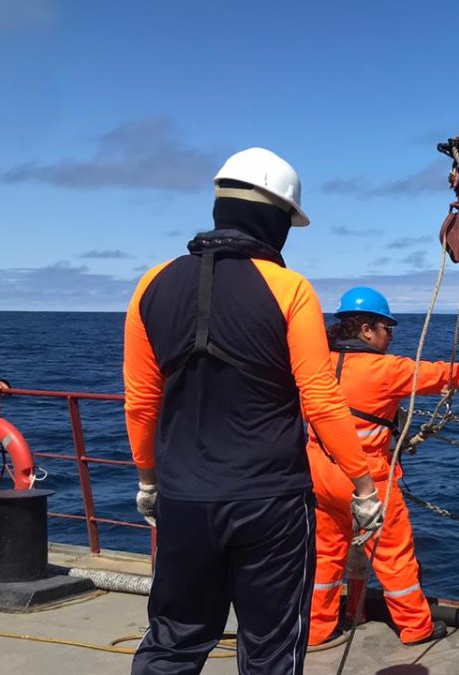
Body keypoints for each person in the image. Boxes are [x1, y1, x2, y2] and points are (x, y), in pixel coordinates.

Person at [123, 147, 383, 675]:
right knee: (270, 648)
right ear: (274, 217)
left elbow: (141, 402)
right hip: (271, 503)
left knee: (173, 640)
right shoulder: (290, 288)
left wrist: (148, 481)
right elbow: (320, 397)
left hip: (183, 497)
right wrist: (363, 484)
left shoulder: (150, 285)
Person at [306, 286, 459, 647]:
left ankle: (317, 628)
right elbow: (439, 374)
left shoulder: (318, 365)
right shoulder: (387, 370)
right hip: (367, 480)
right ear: (366, 330)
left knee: (326, 555)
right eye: (387, 329)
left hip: (318, 475)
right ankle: (415, 628)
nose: (391, 336)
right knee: (393, 556)